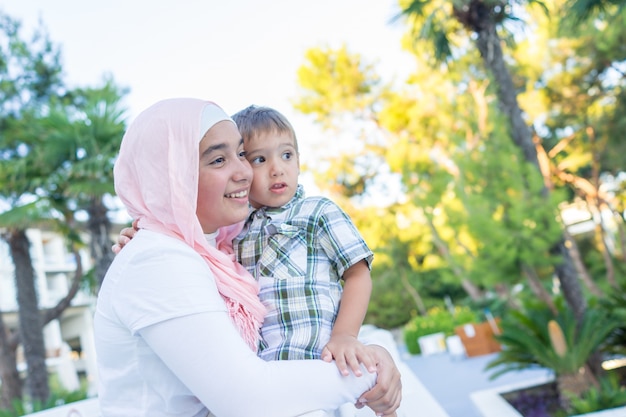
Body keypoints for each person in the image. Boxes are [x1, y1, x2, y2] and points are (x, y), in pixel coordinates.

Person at [96, 98, 401, 417]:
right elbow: (251, 400)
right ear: (172, 175)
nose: (244, 171)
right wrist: (372, 370)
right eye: (218, 160)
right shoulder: (157, 258)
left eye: (241, 154)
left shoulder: (220, 252)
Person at [230, 105, 373, 378]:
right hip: (264, 373)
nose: (277, 169)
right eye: (260, 160)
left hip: (321, 362)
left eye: (286, 155)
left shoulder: (318, 211)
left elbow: (358, 274)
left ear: (298, 161)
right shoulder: (234, 230)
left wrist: (345, 335)